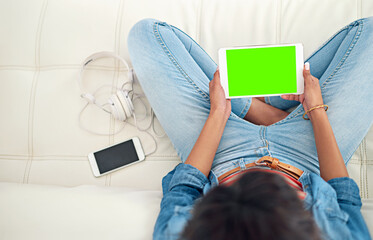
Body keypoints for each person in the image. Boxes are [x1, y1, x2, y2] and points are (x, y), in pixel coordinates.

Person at [127, 17, 373, 240]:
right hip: (309, 157)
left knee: (147, 34)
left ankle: (253, 106)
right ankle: (273, 107)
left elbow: (186, 187)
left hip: (220, 153)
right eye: (296, 199)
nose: (262, 173)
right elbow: (341, 194)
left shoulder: (181, 235)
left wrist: (218, 113)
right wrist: (317, 110)